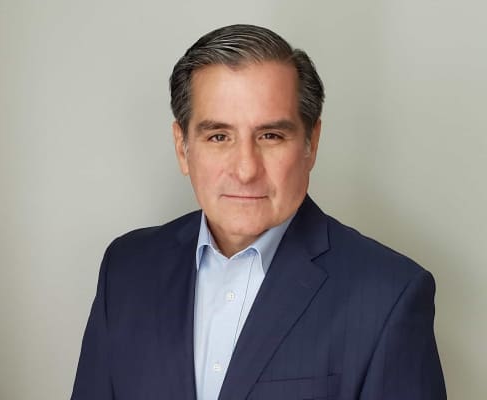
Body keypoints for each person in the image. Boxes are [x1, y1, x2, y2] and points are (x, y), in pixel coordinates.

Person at [71, 24, 446, 400]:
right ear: (182, 147)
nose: (246, 169)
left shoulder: (388, 295)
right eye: (219, 136)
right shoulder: (126, 269)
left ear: (311, 144)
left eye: (271, 136)